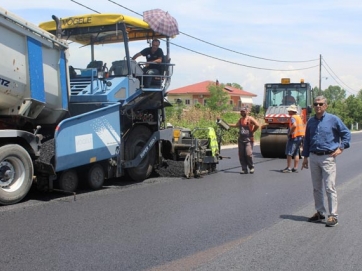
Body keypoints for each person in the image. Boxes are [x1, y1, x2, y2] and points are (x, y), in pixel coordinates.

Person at [301, 96, 351, 227]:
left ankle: (333, 216)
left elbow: (346, 133)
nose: (318, 106)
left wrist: (341, 147)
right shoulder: (311, 121)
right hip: (313, 157)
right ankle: (320, 212)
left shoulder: (333, 120)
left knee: (329, 187)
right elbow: (307, 140)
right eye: (316, 104)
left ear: (326, 106)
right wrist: (305, 157)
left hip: (328, 157)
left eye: (321, 104)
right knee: (317, 188)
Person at [229, 107, 260, 174]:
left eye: (243, 111)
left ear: (247, 111)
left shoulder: (250, 119)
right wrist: (227, 124)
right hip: (241, 139)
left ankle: (251, 167)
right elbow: (236, 125)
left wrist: (252, 131)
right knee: (241, 154)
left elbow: (257, 125)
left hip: (248, 139)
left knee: (248, 154)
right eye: (241, 111)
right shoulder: (240, 120)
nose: (242, 113)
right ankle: (244, 169)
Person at [281, 104, 305, 173]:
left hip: (294, 137)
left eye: (289, 111)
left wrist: (289, 133)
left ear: (292, 111)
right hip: (300, 137)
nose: (288, 112)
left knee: (289, 152)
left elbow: (294, 125)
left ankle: (288, 168)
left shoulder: (293, 117)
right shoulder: (299, 117)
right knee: (296, 152)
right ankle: (295, 168)